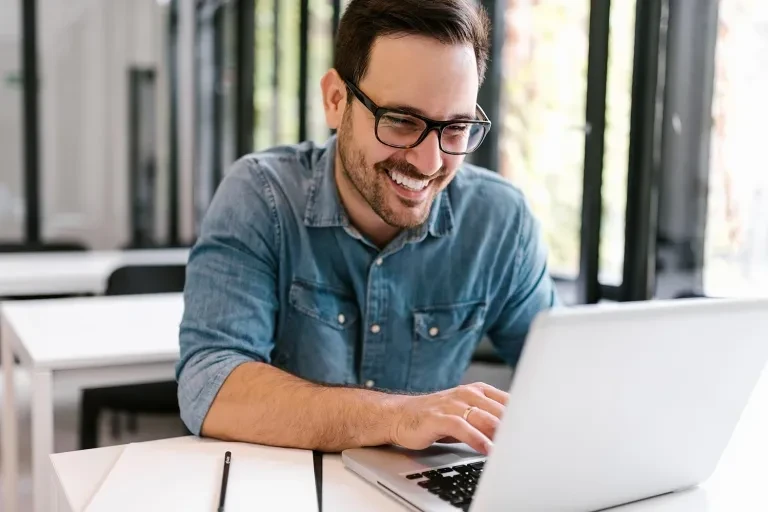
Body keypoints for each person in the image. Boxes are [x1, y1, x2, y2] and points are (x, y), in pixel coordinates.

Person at [176, 0, 558, 457]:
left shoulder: (501, 222)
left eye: (455, 128)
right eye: (400, 121)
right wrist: (397, 417)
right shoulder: (261, 196)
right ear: (336, 100)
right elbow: (209, 384)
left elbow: (564, 375)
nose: (430, 162)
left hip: (413, 494)